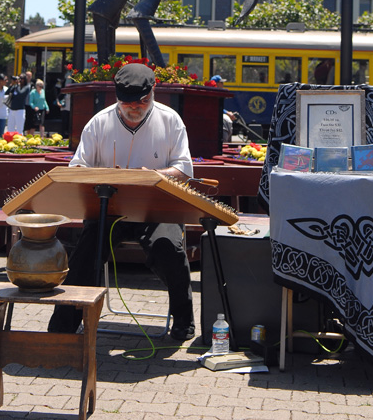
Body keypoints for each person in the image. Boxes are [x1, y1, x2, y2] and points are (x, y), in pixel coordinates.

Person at [48, 63, 195, 341]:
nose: (135, 108)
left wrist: (152, 176)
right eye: (127, 102)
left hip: (156, 211)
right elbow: (77, 167)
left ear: (153, 92)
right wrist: (99, 176)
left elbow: (184, 170)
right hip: (108, 210)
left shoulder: (170, 120)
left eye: (141, 101)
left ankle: (183, 321)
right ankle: (64, 324)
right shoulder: (99, 122)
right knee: (84, 256)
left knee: (170, 249)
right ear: (117, 98)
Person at [211, 74, 235, 143]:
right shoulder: (212, 93)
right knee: (225, 121)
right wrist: (227, 113)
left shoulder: (217, 92)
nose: (223, 84)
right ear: (216, 83)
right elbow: (215, 106)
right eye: (221, 83)